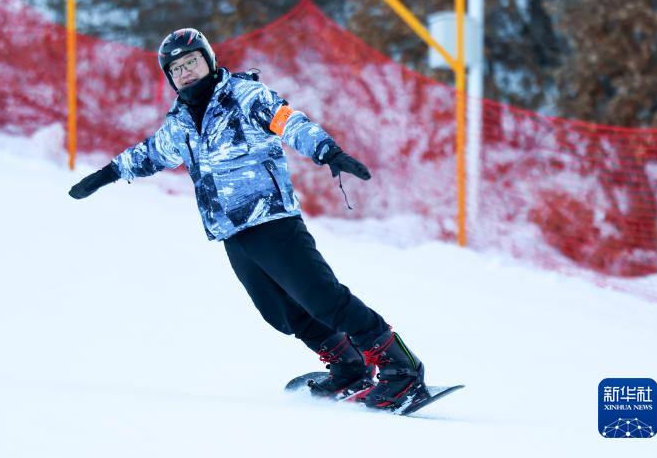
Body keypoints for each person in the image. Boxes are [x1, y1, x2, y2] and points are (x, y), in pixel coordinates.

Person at [68, 28, 425, 409]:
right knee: (281, 311)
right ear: (171, 77)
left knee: (323, 298)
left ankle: (401, 367)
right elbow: (149, 153)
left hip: (271, 220)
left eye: (192, 62)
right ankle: (348, 366)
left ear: (209, 61)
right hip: (231, 231)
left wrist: (327, 151)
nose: (186, 72)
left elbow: (290, 121)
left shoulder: (245, 95)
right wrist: (105, 174)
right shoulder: (181, 123)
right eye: (177, 69)